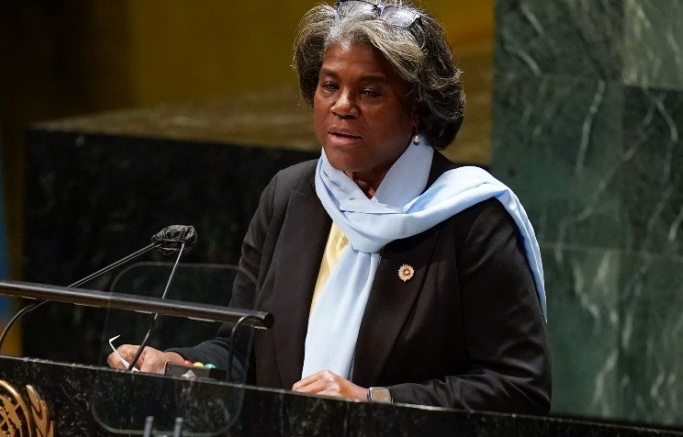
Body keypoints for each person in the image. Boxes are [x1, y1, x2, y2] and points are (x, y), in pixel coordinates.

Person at [108, 0, 550, 414]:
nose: (342, 106)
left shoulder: (469, 216)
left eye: (370, 92)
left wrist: (374, 401)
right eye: (330, 86)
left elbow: (518, 386)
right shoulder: (292, 196)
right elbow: (244, 353)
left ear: (417, 108)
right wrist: (176, 364)